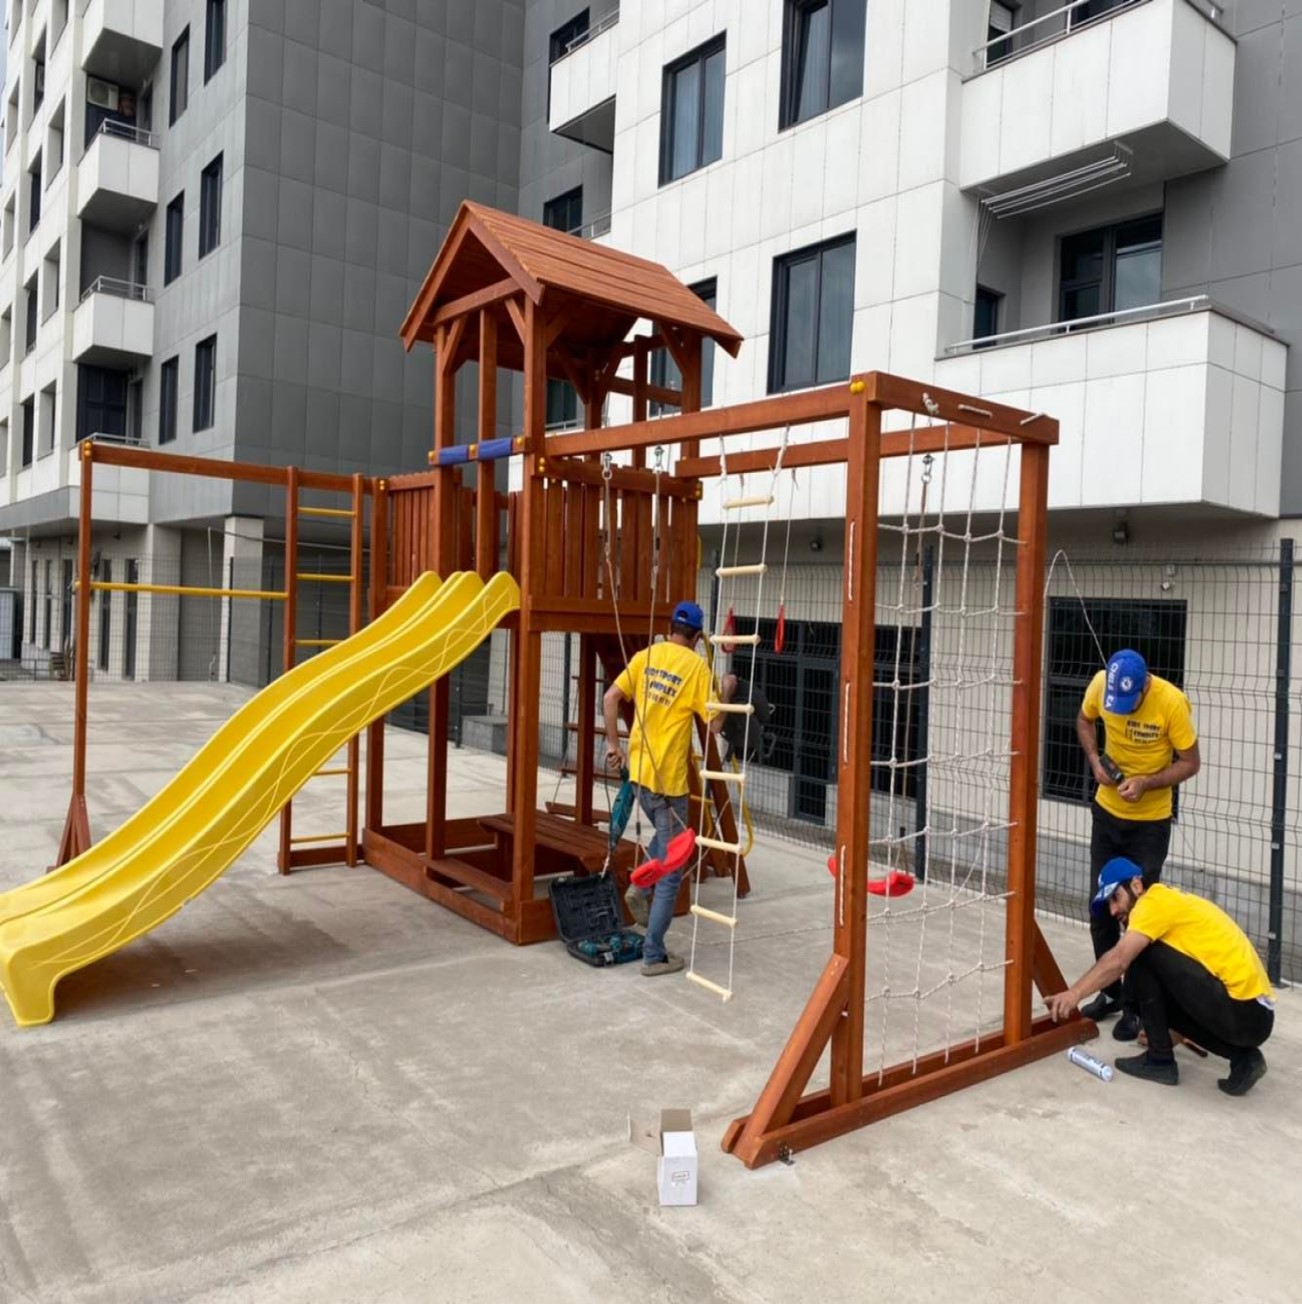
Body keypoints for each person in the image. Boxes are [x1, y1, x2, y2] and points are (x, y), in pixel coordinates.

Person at [1049, 858, 1274, 1095]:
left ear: (1136, 885)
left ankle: (1159, 1059)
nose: (1113, 910)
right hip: (1253, 1016)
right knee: (1140, 975)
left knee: (1139, 957)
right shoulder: (1167, 903)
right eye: (1108, 904)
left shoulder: (1151, 903)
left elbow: (1118, 960)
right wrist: (1174, 1026)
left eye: (1115, 897)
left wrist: (1074, 994)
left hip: (1245, 1011)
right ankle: (1244, 1060)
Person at [1075, 648, 1200, 1039]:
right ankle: (1111, 994)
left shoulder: (1172, 702)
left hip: (1149, 824)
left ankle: (1139, 1008)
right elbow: (1083, 720)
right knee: (1101, 910)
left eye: (1131, 704)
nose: (1124, 711)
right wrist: (1095, 759)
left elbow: (1190, 762)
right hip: (1106, 815)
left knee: (1138, 917)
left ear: (1146, 684)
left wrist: (1147, 782)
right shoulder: (1101, 684)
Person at [603, 601, 718, 977]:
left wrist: (613, 745)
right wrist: (727, 688)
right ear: (698, 638)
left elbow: (610, 698)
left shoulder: (646, 655)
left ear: (671, 628)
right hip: (669, 783)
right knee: (672, 865)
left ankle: (644, 882)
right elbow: (715, 726)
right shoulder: (697, 667)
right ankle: (653, 953)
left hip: (638, 775)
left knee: (671, 847)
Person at [717, 672, 774, 763]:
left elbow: (729, 680)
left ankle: (756, 744)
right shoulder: (744, 690)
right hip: (751, 717)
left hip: (750, 718)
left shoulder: (735, 685)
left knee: (736, 712)